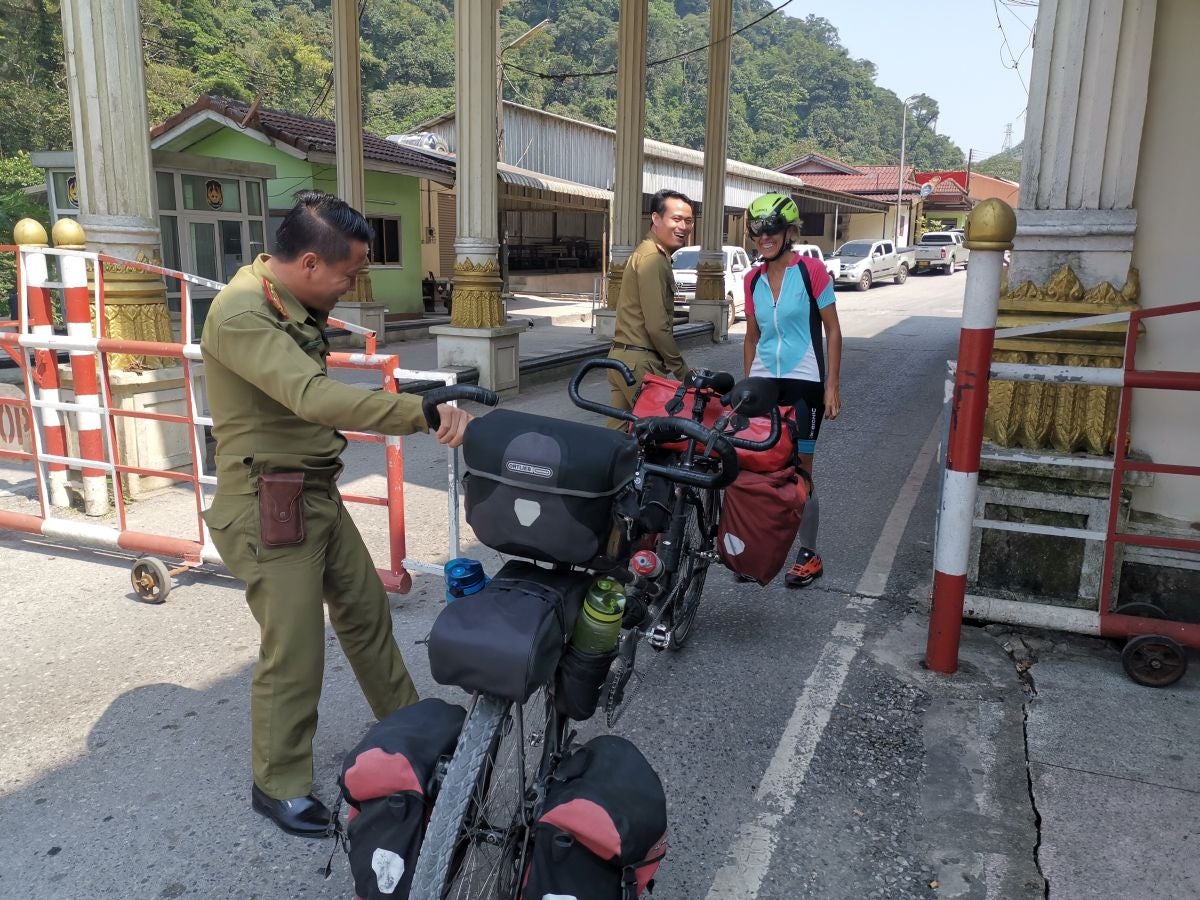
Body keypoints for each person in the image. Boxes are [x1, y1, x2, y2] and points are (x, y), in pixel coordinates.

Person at [199, 190, 472, 838]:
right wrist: (421, 409)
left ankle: (408, 733)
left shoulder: (289, 302)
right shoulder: (242, 312)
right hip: (268, 504)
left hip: (312, 492)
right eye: (348, 274)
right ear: (312, 264)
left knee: (366, 613)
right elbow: (312, 396)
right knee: (294, 652)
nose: (352, 286)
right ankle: (279, 782)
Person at [741, 193, 842, 588]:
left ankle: (808, 554)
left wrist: (832, 384)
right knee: (757, 465)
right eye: (757, 230)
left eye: (772, 230)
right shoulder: (752, 280)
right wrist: (746, 385)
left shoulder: (811, 271)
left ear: (789, 232)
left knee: (799, 471)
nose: (763, 237)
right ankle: (758, 550)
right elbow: (752, 337)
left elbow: (832, 329)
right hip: (765, 381)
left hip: (805, 382)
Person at [606, 189, 696, 421]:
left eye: (688, 221)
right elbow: (657, 326)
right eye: (676, 219)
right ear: (656, 219)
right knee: (662, 433)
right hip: (639, 364)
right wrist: (683, 372)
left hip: (622, 359)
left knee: (619, 439)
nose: (683, 227)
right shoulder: (653, 259)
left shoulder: (648, 253)